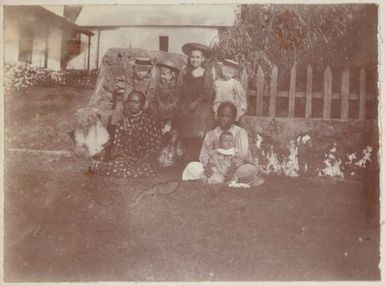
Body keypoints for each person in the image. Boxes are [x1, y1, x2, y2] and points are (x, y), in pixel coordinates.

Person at [182, 102, 264, 187]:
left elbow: (242, 156)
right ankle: (226, 181)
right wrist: (207, 166)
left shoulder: (240, 132)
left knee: (251, 170)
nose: (224, 119)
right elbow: (204, 154)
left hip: (233, 168)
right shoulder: (211, 134)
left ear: (234, 118)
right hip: (215, 167)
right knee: (191, 166)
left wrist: (232, 168)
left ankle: (216, 180)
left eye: (228, 116)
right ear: (217, 116)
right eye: (221, 115)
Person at [88, 90, 162, 178]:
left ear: (142, 105)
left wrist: (142, 160)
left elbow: (155, 146)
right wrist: (127, 158)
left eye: (136, 102)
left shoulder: (150, 122)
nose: (133, 104)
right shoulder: (121, 123)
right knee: (115, 166)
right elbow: (117, 146)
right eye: (130, 101)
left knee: (148, 169)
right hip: (125, 159)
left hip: (145, 160)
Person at [175, 43, 216, 161]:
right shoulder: (184, 70)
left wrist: (197, 102)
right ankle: (185, 152)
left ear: (203, 59)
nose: (195, 60)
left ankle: (198, 153)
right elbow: (180, 88)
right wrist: (184, 102)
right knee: (182, 115)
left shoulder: (206, 72)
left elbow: (207, 92)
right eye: (192, 57)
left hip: (201, 103)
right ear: (189, 58)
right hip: (186, 101)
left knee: (201, 118)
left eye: (198, 57)